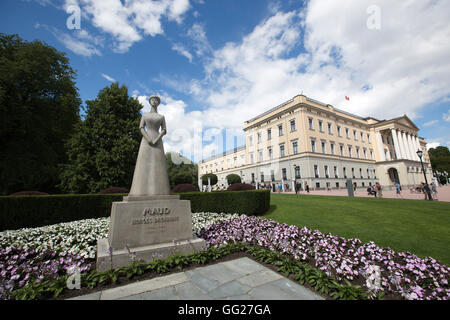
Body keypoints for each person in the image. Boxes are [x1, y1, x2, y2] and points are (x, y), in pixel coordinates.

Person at [129, 95, 171, 196]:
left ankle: (161, 191)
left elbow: (164, 130)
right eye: (153, 100)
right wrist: (148, 139)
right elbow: (141, 127)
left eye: (156, 100)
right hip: (146, 140)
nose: (154, 101)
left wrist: (157, 139)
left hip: (158, 141)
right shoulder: (145, 115)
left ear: (158, 103)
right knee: (143, 165)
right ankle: (138, 191)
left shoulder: (161, 117)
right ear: (150, 102)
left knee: (158, 165)